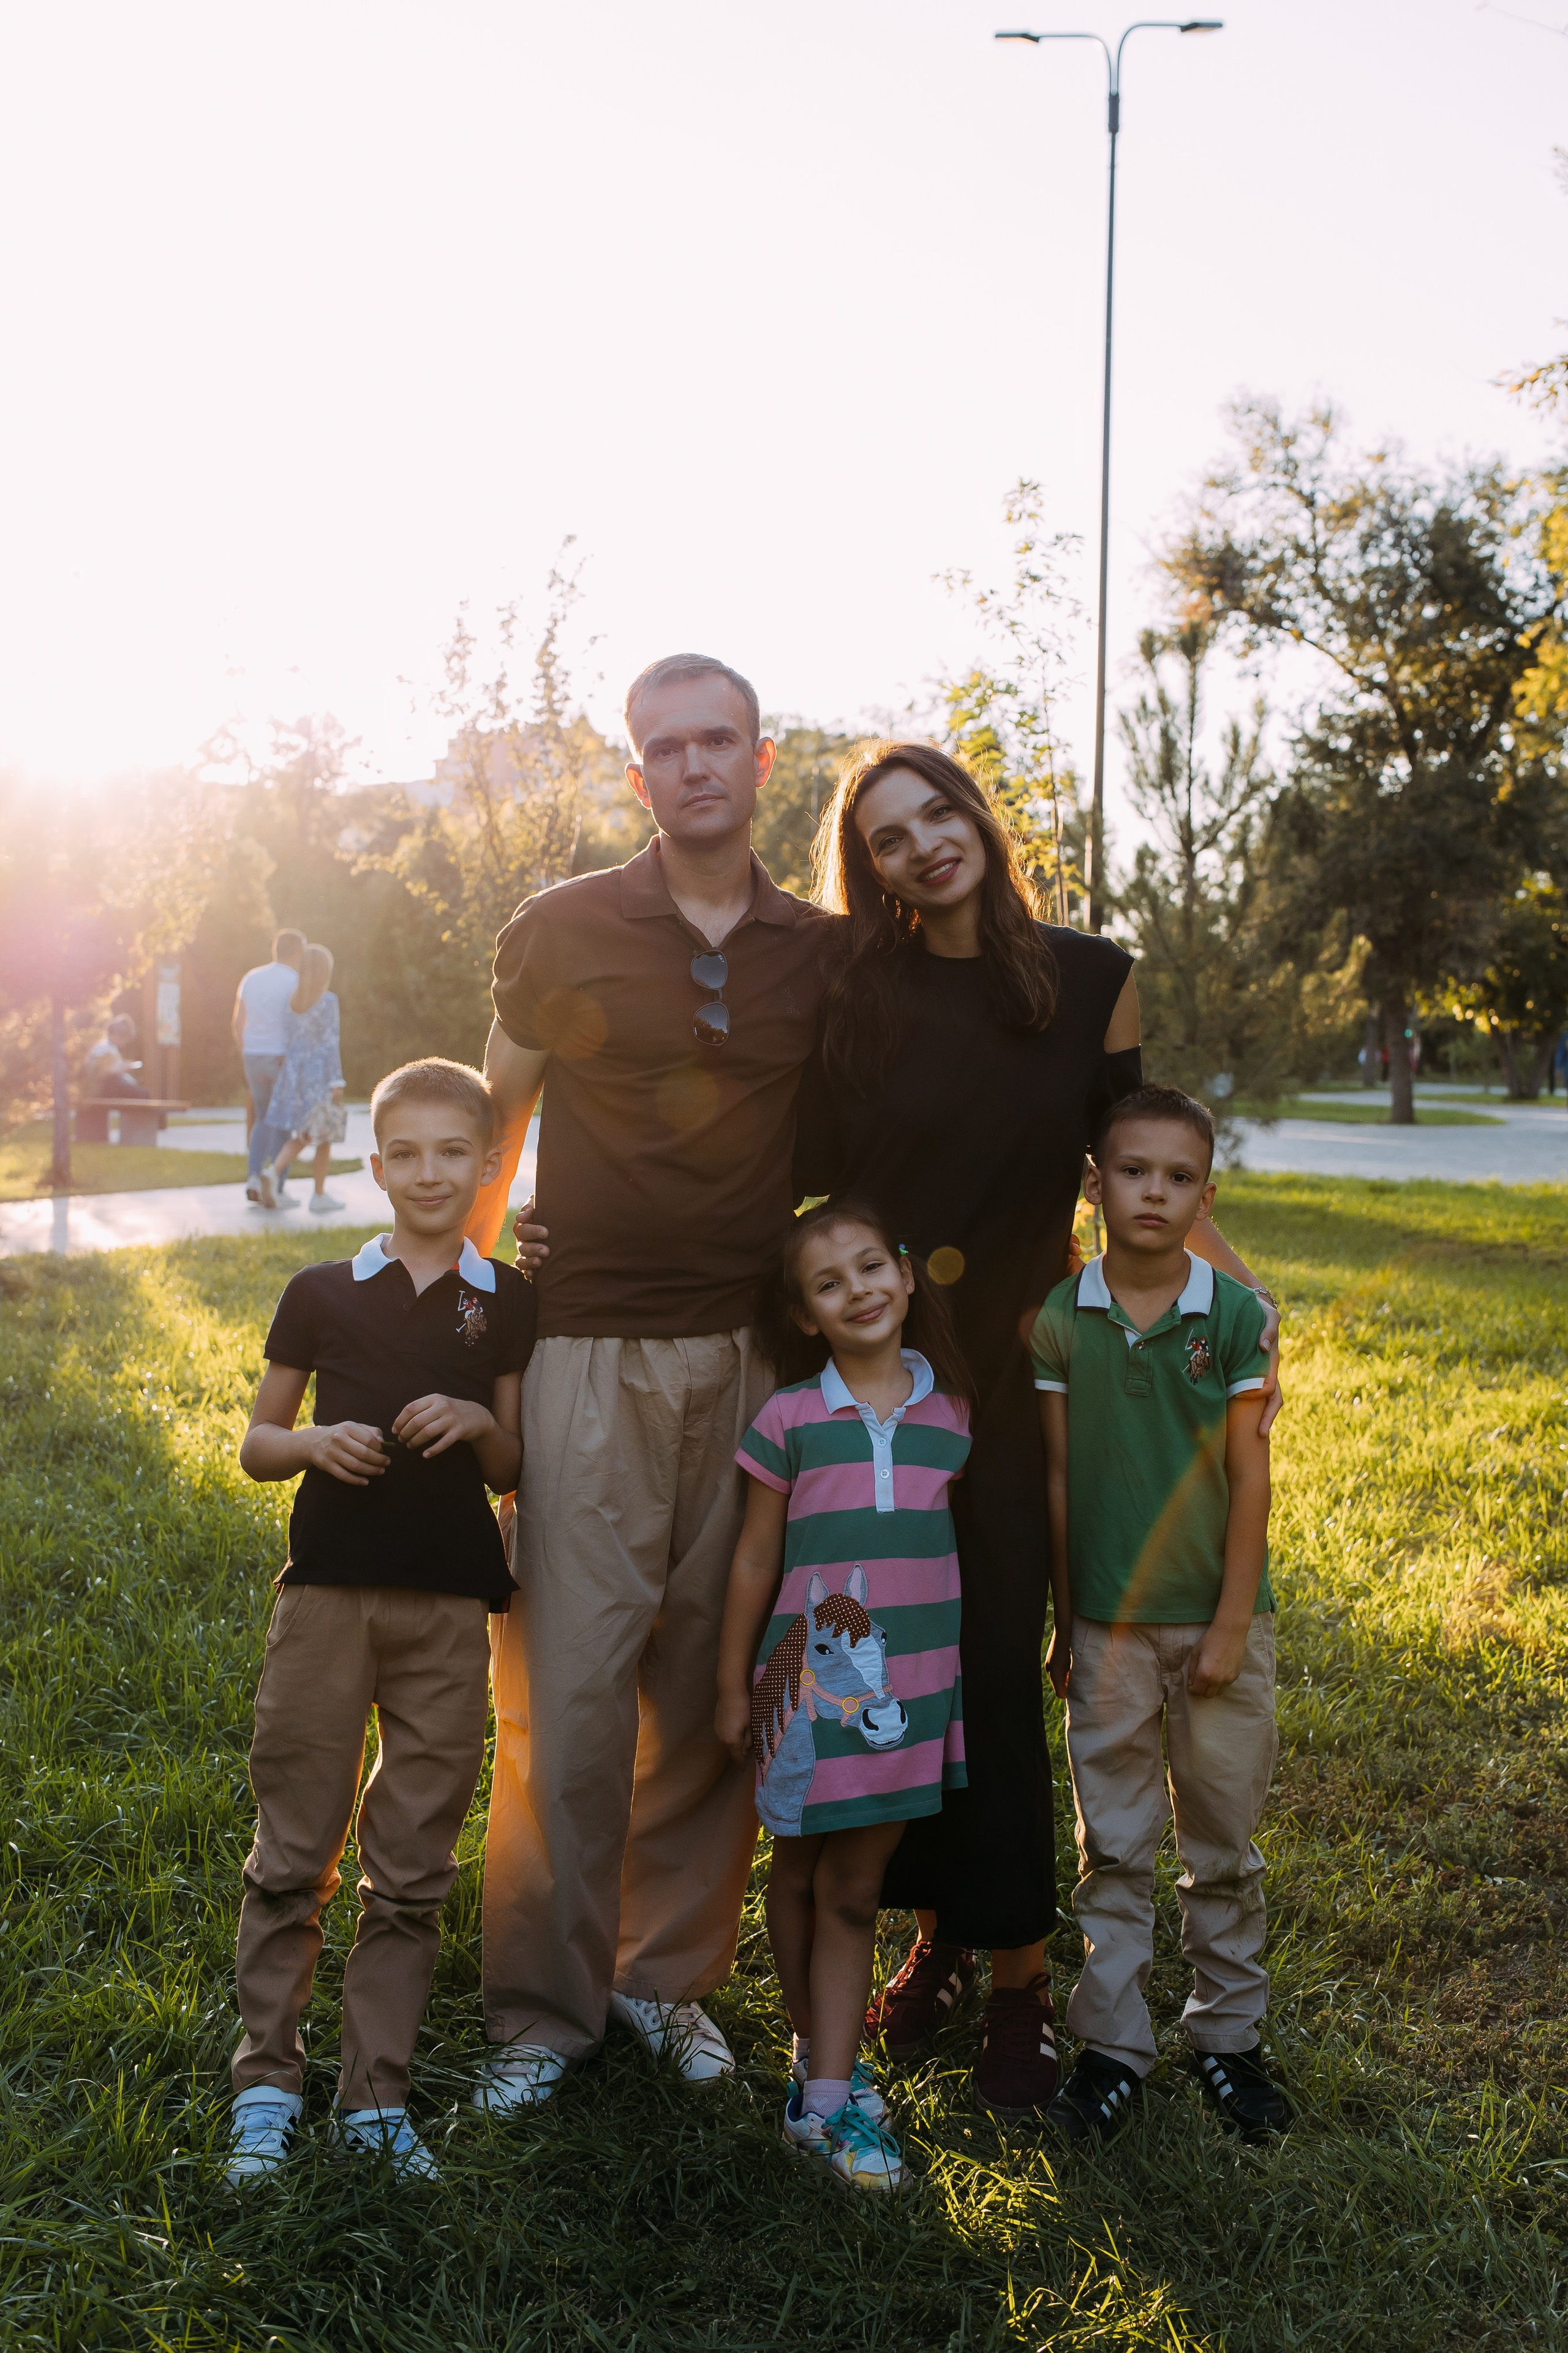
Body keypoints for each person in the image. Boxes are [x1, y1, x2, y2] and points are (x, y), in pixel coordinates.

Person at [794, 741, 1282, 2121]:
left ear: (977, 817)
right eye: (889, 839)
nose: (924, 846)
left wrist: (1240, 1302)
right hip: (878, 1374)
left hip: (1020, 1368)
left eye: (937, 813)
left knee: (1001, 1664)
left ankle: (1016, 1978)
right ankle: (931, 1935)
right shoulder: (853, 987)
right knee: (888, 1661)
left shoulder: (1089, 976)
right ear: (872, 871)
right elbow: (799, 1182)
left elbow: (1132, 1165)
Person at [466, 653, 836, 2115]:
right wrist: (472, 1321)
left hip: (750, 1358)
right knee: (564, 1688)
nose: (693, 764)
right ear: (637, 774)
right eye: (665, 746)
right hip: (584, 1347)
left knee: (703, 1684)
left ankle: (661, 1975)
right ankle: (539, 2008)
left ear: (760, 761)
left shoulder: (818, 951)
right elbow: (489, 1132)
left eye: (717, 740)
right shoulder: (559, 926)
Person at [226, 1058, 535, 2186]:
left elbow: (512, 1462)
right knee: (292, 1850)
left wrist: (475, 1421)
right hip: (327, 1597)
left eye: (453, 1151)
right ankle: (267, 2083)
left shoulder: (507, 1298)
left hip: (449, 1605)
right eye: (405, 1152)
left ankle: (375, 2099)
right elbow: (258, 1443)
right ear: (374, 1165)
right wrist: (314, 1443)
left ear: (489, 1163)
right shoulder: (320, 1290)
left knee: (412, 1865)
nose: (429, 1172)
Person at [1033, 1085, 1288, 2145]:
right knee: (1114, 1839)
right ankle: (1113, 2045)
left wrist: (1230, 1623)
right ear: (1095, 1186)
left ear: (1206, 1197)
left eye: (1179, 1177)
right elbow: (1058, 1479)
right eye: (1134, 1172)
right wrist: (1067, 1616)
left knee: (1221, 1838)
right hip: (1107, 1628)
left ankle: (1229, 2036)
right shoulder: (1062, 1317)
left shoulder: (1233, 1317)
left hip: (1218, 1619)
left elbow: (1251, 1475)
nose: (1155, 1192)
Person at [715, 1200, 971, 2194]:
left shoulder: (953, 1414)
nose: (857, 1290)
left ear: (906, 1275)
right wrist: (733, 1686)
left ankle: (824, 2086)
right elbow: (754, 1558)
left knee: (856, 1885)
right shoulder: (789, 1419)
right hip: (801, 1690)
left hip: (912, 1692)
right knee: (796, 1871)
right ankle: (822, 2078)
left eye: (870, 1267)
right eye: (829, 1283)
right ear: (805, 1314)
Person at [258, 943, 348, 1214]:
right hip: (318, 1075)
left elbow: (289, 1039)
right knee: (324, 1135)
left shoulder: (292, 1002)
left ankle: (273, 1171)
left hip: (294, 1075)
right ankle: (318, 1195)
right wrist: (337, 1081)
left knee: (305, 1133)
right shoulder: (328, 1001)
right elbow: (330, 1042)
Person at [233, 931, 307, 1204]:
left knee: (263, 1118)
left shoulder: (251, 978)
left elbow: (237, 1022)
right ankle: (276, 1187)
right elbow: (298, 1025)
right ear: (298, 952)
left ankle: (254, 1177)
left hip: (253, 1055)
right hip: (281, 1058)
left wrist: (246, 1054)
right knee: (283, 1122)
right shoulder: (295, 981)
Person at [85, 1015, 149, 1100]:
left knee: (141, 1092)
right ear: (117, 1035)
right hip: (105, 1089)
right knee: (143, 1094)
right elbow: (101, 1072)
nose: (125, 1043)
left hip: (112, 1087)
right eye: (125, 1039)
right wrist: (123, 1068)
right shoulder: (103, 1048)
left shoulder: (111, 1048)